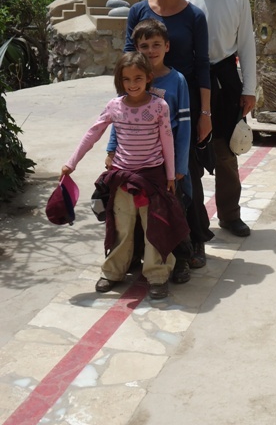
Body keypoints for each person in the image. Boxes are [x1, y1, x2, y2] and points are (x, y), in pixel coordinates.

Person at [61, 52, 189, 300]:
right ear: (120, 80)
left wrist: (171, 176)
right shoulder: (114, 106)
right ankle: (112, 272)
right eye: (127, 79)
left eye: (138, 78)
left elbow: (167, 142)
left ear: (149, 78)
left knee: (156, 229)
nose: (133, 84)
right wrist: (71, 162)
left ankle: (158, 275)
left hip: (153, 179)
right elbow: (93, 133)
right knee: (121, 228)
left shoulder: (159, 106)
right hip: (122, 179)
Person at [124, 0, 214, 274]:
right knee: (143, 179)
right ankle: (141, 249)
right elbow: (127, 62)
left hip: (183, 107)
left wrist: (205, 114)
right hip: (143, 111)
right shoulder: (136, 11)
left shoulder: (194, 17)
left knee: (185, 175)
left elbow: (203, 65)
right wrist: (127, 109)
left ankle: (194, 242)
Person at [177, 0, 256, 238]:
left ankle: (230, 215)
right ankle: (195, 220)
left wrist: (249, 89)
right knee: (190, 153)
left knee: (226, 152)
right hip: (190, 80)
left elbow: (247, 43)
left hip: (226, 80)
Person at [106, 19, 193, 284]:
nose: (151, 51)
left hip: (167, 163)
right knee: (133, 215)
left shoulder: (177, 80)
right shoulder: (131, 79)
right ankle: (131, 260)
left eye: (156, 45)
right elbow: (120, 118)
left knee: (173, 211)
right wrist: (111, 149)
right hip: (134, 165)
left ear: (166, 46)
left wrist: (178, 167)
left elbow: (184, 128)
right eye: (144, 46)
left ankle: (179, 260)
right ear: (136, 48)